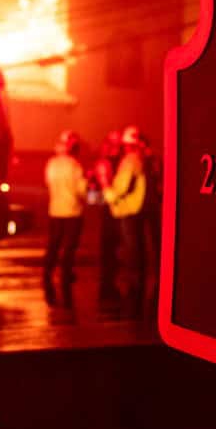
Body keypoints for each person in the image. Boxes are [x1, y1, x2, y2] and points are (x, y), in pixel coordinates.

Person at [103, 125, 150, 316]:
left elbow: (120, 188)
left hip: (126, 210)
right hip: (134, 210)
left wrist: (106, 188)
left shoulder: (129, 161)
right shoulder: (141, 159)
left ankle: (134, 282)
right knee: (136, 246)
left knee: (131, 248)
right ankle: (137, 278)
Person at [41, 131, 87, 307]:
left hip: (55, 210)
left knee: (53, 244)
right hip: (72, 211)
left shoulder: (51, 164)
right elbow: (81, 190)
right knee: (69, 246)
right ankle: (65, 274)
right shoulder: (75, 165)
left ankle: (47, 272)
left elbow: (48, 183)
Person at [93, 129, 123, 302]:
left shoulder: (119, 162)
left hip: (117, 208)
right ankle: (108, 278)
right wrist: (102, 200)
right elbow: (94, 193)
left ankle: (110, 276)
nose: (116, 147)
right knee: (109, 246)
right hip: (109, 210)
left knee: (114, 246)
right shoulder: (104, 163)